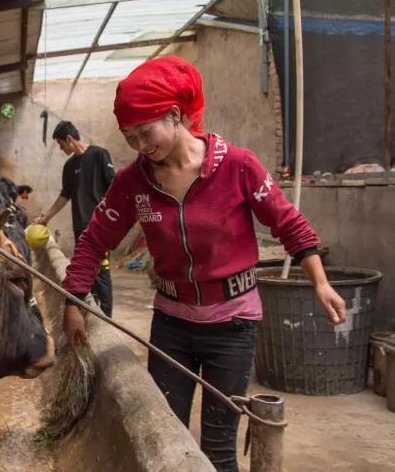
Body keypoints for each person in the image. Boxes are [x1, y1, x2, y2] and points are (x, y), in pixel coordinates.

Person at [61, 56, 346, 472]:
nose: (140, 146)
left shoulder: (238, 166)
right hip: (171, 324)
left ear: (176, 115)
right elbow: (93, 240)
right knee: (163, 434)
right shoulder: (132, 182)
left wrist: (320, 282)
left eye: (146, 132)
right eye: (129, 137)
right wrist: (73, 300)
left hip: (233, 325)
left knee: (218, 445)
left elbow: (289, 223)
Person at [35, 121, 115, 317]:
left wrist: (111, 218)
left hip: (99, 227)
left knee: (101, 272)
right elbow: (65, 195)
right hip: (80, 227)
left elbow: (113, 187)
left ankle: (105, 317)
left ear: (69, 139)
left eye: (61, 144)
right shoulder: (69, 166)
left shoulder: (99, 155)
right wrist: (47, 216)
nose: (61, 149)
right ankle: (92, 311)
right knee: (85, 271)